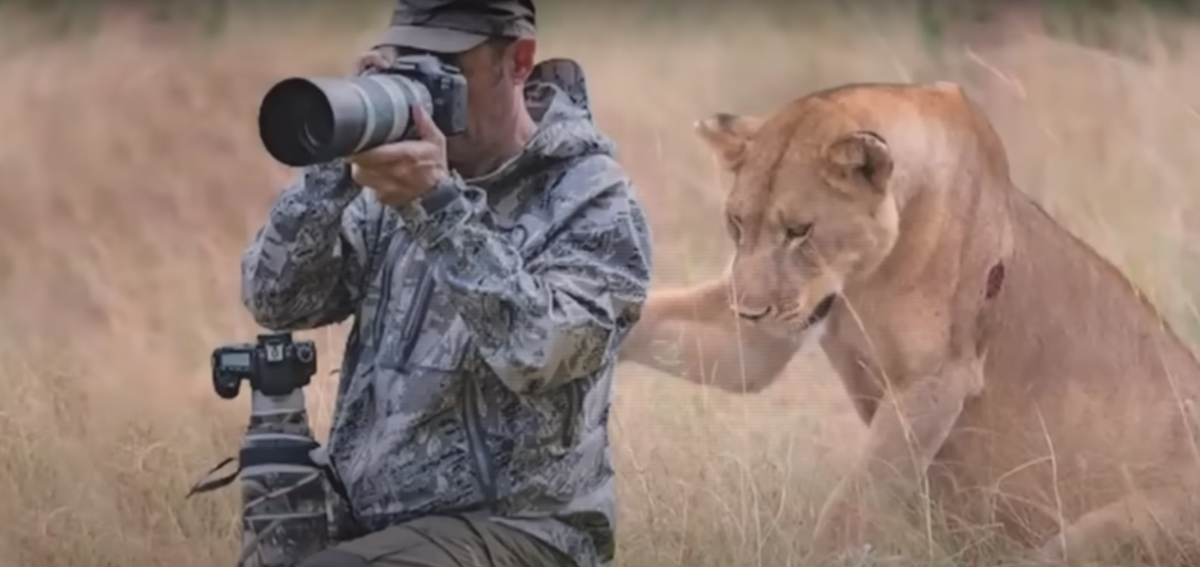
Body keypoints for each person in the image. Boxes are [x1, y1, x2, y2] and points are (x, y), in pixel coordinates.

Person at [239, 0, 653, 565]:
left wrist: (437, 204)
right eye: (406, 63)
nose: (422, 89)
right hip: (375, 524)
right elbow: (275, 298)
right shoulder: (390, 190)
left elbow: (539, 352)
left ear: (519, 61)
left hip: (522, 529)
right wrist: (331, 170)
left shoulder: (591, 198)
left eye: (445, 67)